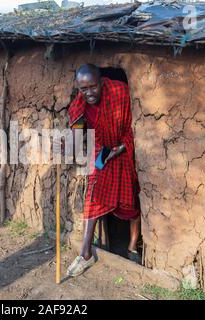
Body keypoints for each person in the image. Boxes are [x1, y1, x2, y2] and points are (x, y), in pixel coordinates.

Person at [63, 64, 142, 277]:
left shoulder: (119, 93)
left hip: (123, 150)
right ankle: (85, 253)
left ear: (102, 81)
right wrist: (69, 146)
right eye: (83, 89)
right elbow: (78, 128)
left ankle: (133, 246)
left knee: (131, 200)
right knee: (93, 197)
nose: (89, 93)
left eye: (92, 87)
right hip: (101, 152)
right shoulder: (81, 102)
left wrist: (122, 147)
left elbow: (137, 125)